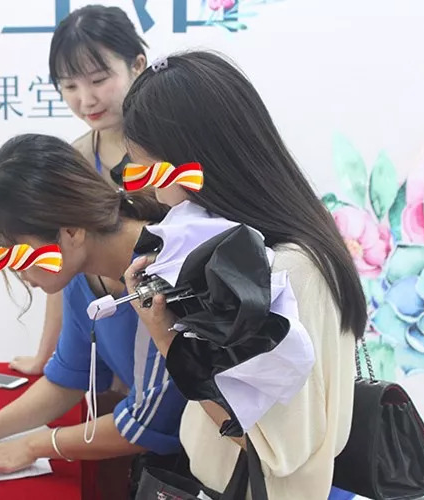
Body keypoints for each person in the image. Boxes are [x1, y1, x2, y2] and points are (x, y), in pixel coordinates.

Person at [120, 50, 365, 498]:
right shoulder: (279, 242)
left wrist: (167, 339)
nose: (151, 187)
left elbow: (272, 449)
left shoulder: (286, 268)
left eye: (152, 168)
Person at [0, 134, 187, 488]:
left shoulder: (161, 270)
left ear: (71, 231)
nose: (15, 270)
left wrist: (33, 445)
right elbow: (69, 377)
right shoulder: (82, 274)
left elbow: (149, 422)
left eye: (17, 254)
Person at [9, 4, 147, 376]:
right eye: (70, 86)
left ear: (137, 65)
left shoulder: (172, 151)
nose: (86, 100)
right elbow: (62, 266)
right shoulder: (77, 159)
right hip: (113, 352)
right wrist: (45, 357)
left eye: (99, 80)